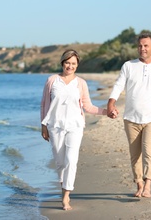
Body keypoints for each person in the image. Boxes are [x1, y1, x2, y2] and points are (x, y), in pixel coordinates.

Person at [40, 49, 108, 210]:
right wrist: (43, 126)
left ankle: (66, 196)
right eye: (67, 63)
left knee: (71, 160)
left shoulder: (81, 83)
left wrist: (106, 112)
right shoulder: (52, 81)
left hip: (75, 126)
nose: (70, 66)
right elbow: (44, 105)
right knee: (60, 162)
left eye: (73, 63)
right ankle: (64, 184)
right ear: (62, 63)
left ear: (77, 65)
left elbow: (88, 106)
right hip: (55, 126)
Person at [107, 33, 151, 198]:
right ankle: (139, 183)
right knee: (135, 154)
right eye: (140, 46)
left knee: (148, 150)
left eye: (146, 45)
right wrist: (111, 103)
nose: (142, 48)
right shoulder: (128, 66)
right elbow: (119, 85)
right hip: (131, 118)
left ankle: (148, 184)